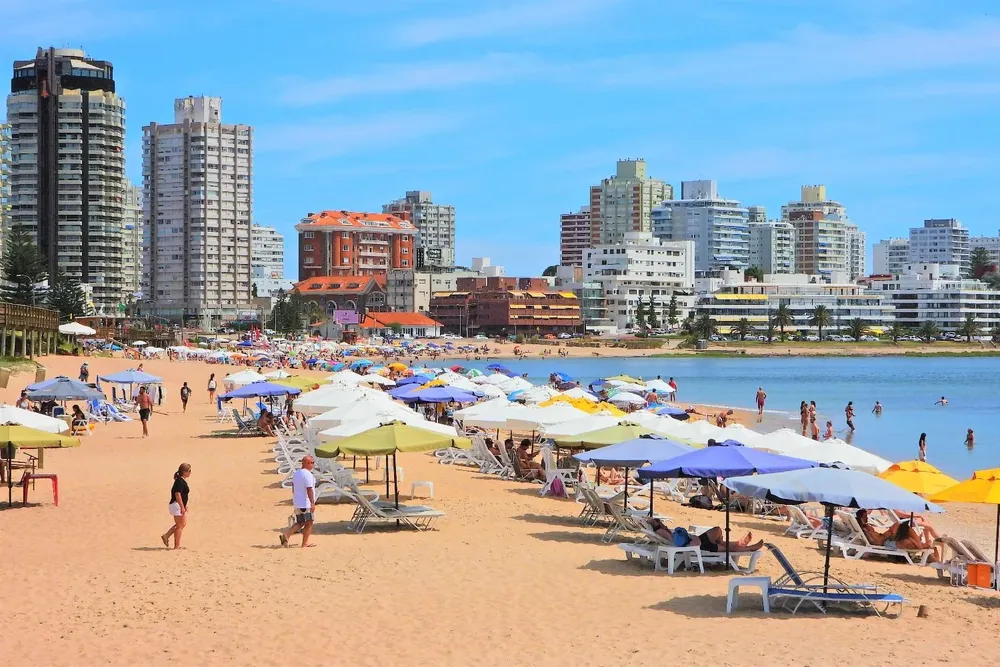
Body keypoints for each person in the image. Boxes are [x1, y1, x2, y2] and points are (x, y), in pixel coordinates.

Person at [855, 509, 938, 561]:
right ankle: (922, 545)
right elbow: (878, 542)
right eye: (865, 516)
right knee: (905, 533)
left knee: (900, 526)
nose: (867, 517)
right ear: (861, 517)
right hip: (886, 542)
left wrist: (887, 534)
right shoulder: (866, 529)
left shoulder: (865, 527)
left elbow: (878, 539)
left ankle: (922, 544)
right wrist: (888, 534)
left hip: (886, 540)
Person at [647, 518, 763, 553]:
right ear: (657, 525)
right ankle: (749, 548)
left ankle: (739, 543)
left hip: (696, 542)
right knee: (728, 549)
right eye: (660, 523)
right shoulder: (660, 532)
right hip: (697, 547)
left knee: (717, 530)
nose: (664, 524)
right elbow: (677, 543)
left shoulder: (661, 531)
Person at [279, 456, 316, 547]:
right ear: (307, 463)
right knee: (309, 522)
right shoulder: (307, 474)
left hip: (298, 502)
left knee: (301, 522)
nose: (313, 465)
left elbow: (293, 488)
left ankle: (287, 536)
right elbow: (309, 489)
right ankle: (303, 542)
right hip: (305, 502)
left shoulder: (296, 473)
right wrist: (312, 502)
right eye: (312, 463)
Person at [161, 463, 191, 549]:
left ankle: (166, 536)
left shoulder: (180, 480)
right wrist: (182, 506)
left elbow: (182, 495)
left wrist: (184, 505)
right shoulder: (179, 481)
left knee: (181, 524)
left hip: (178, 504)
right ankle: (176, 546)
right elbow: (177, 494)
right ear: (184, 472)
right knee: (180, 525)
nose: (190, 473)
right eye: (189, 471)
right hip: (176, 504)